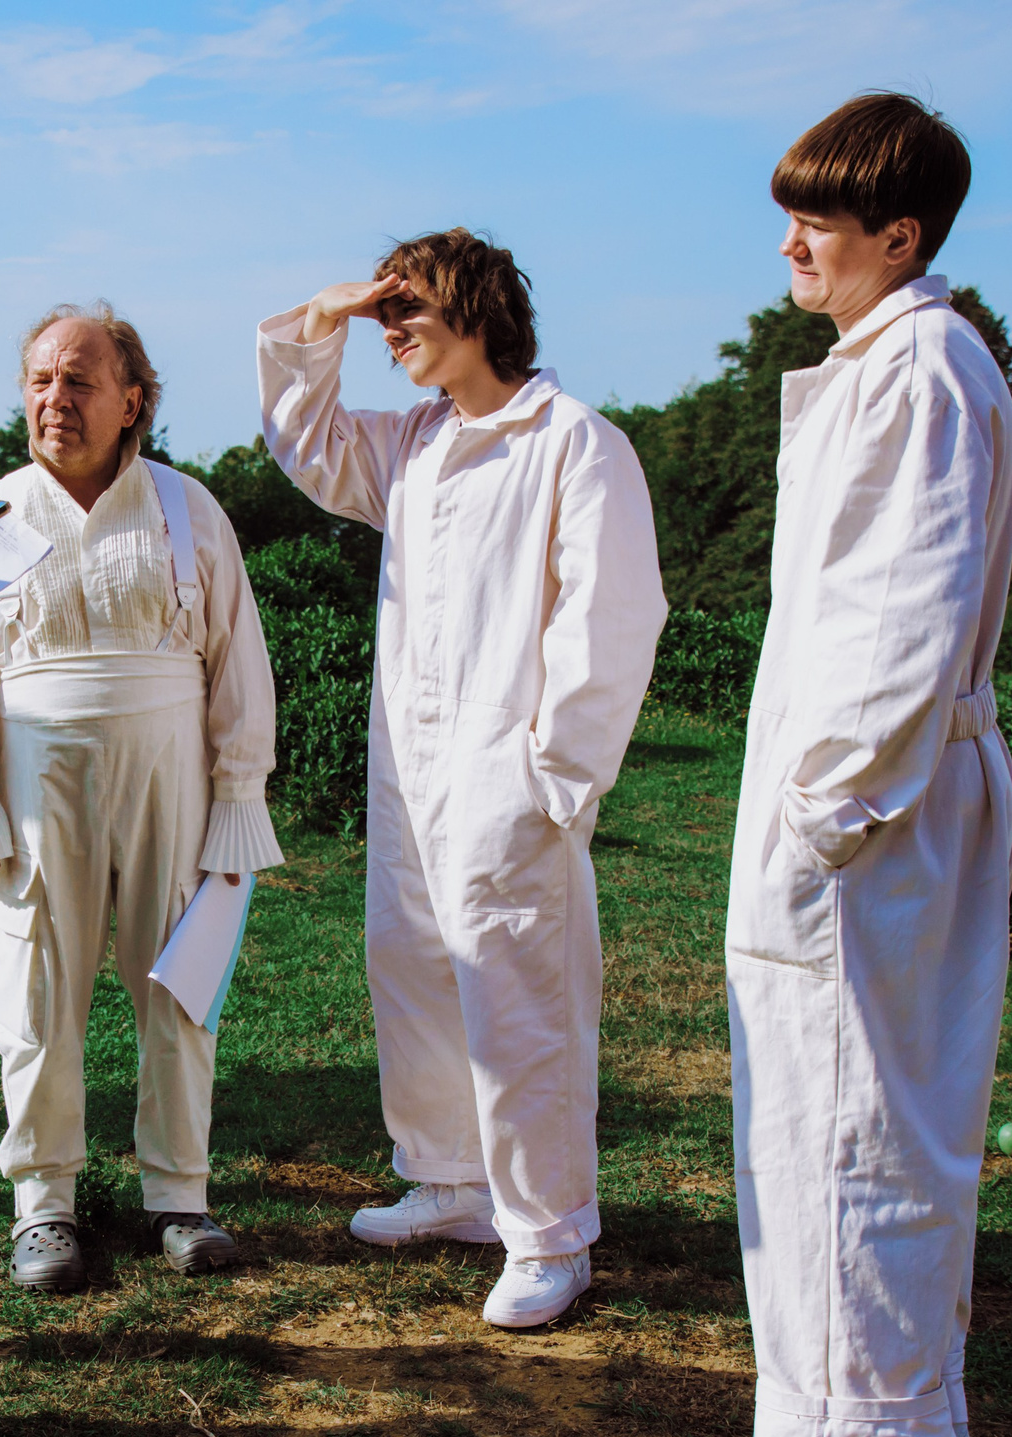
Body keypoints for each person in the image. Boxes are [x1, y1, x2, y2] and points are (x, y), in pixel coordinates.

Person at [257, 231, 666, 1329]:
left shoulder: (572, 442)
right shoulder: (417, 444)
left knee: (515, 986)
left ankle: (549, 1233)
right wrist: (319, 319)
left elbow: (613, 614)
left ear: (476, 308)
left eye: (408, 313)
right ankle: (449, 1180)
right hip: (411, 763)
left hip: (509, 766)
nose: (391, 336)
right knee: (411, 960)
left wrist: (558, 776)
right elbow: (307, 445)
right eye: (382, 317)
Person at [721, 94, 1012, 1437]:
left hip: (876, 800)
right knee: (845, 1108)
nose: (791, 241)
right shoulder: (891, 360)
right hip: (872, 789)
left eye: (817, 221)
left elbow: (909, 604)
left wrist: (824, 810)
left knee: (857, 1119)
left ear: (899, 237)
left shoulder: (923, 368)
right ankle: (906, 1424)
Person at [0, 304, 284, 1291]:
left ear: (132, 400)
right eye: (39, 379)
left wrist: (236, 795)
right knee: (34, 990)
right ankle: (43, 1207)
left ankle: (180, 1194)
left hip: (170, 774)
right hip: (37, 787)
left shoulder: (187, 507)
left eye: (79, 381)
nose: (55, 399)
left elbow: (236, 661)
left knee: (179, 983)